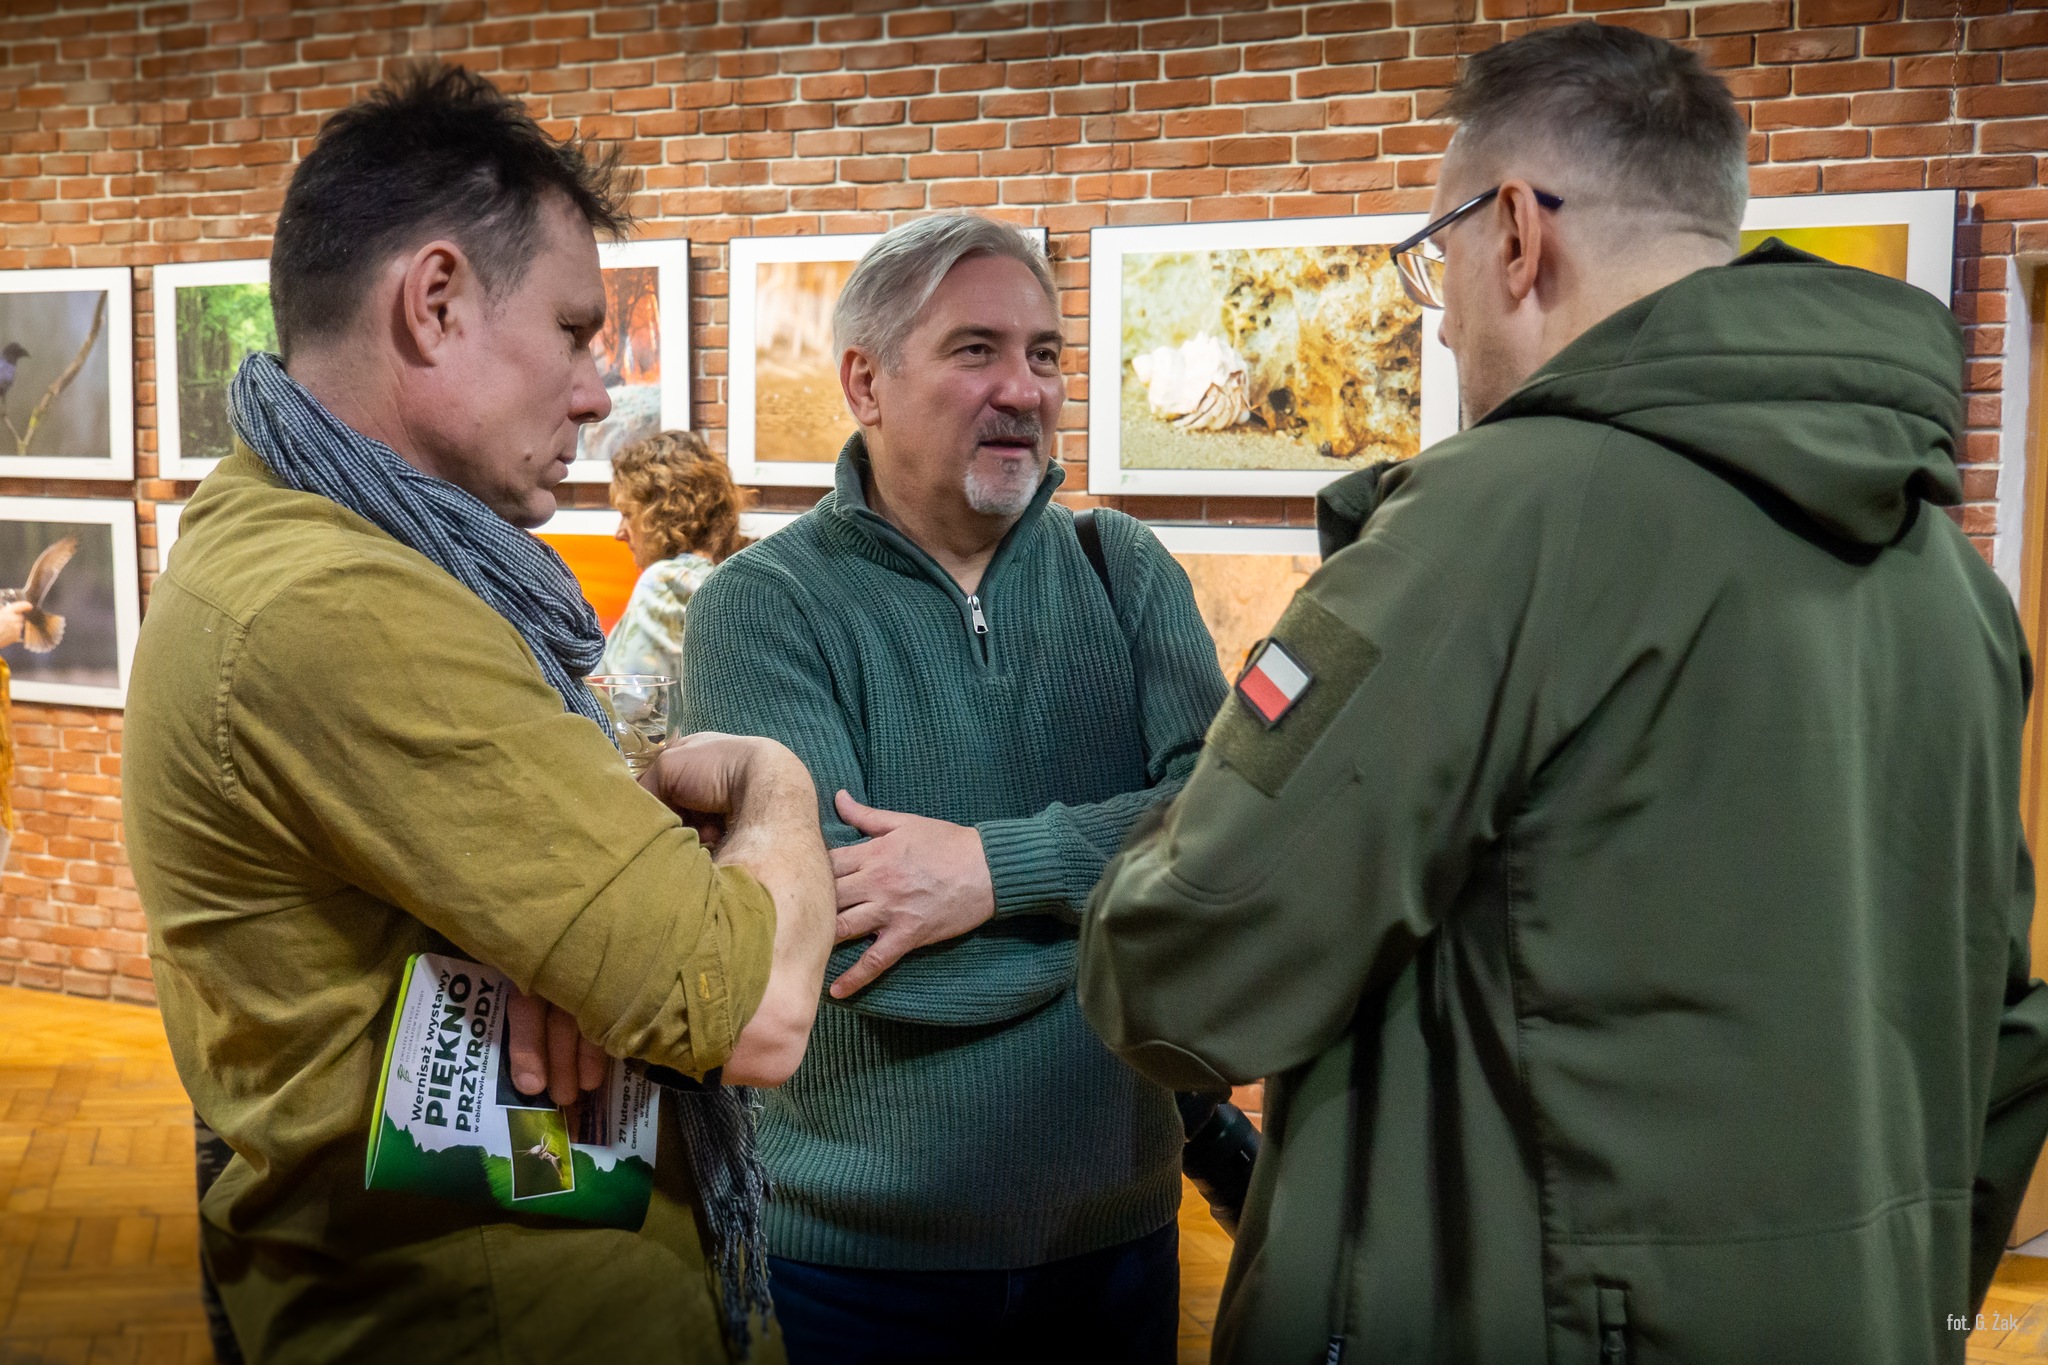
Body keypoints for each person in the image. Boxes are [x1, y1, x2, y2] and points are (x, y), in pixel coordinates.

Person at [1079, 22, 2048, 1365]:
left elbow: (1189, 968)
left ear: (1515, 231)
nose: (1444, 318)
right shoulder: (1949, 584)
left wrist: (1148, 839)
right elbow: (2000, 1038)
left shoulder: (1495, 522)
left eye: (1435, 260)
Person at [123, 66, 834, 1365]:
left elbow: (623, 912)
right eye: (573, 332)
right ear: (436, 302)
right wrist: (774, 780)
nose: (596, 393)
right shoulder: (341, 602)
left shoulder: (301, 541)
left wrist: (581, 947)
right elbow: (753, 1006)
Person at [676, 213, 1229, 1364]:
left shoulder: (1122, 570)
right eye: (976, 350)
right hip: (850, 1271)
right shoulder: (761, 607)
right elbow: (839, 941)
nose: (1023, 389)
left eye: (1043, 353)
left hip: (1117, 1245)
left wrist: (990, 870)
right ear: (864, 383)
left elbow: (1234, 842)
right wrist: (1127, 905)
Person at [601, 429, 750, 680]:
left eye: (627, 514)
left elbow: (633, 696)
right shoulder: (728, 580)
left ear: (662, 514)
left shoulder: (666, 583)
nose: (619, 533)